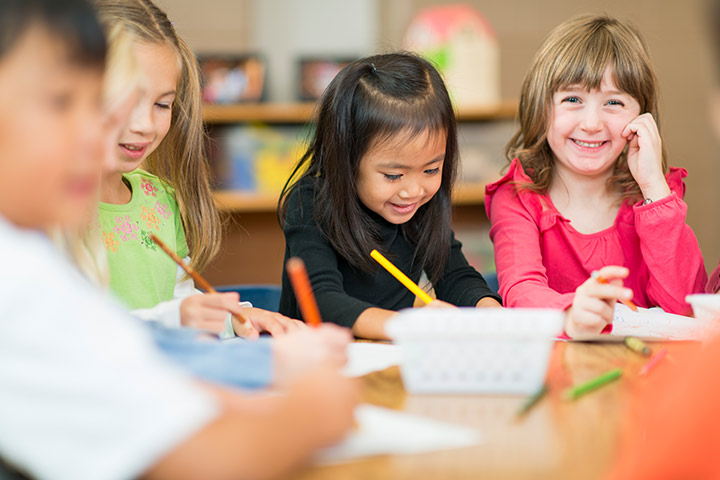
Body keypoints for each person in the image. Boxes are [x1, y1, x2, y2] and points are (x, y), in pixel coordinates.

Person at [0, 1, 357, 478]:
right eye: (65, 103)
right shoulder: (17, 279)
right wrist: (311, 412)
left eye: (160, 104)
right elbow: (189, 460)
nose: (104, 129)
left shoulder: (33, 256)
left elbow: (122, 362)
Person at [485, 15, 706, 338]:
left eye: (613, 102)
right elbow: (521, 291)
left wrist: (653, 186)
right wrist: (572, 314)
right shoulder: (519, 196)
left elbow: (685, 306)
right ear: (541, 107)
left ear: (642, 117)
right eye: (572, 100)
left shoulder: (657, 196)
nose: (591, 123)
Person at [95, 0, 297, 338]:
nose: (145, 124)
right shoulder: (41, 209)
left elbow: (179, 304)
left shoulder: (159, 198)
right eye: (127, 98)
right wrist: (173, 320)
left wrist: (234, 319)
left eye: (162, 104)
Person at [278, 53, 501, 340]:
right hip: (317, 364)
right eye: (394, 176)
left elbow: (456, 277)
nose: (413, 191)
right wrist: (408, 325)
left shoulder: (420, 206)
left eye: (431, 169)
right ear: (347, 160)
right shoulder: (311, 202)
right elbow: (322, 301)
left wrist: (492, 316)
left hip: (388, 363)